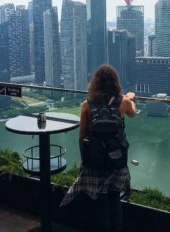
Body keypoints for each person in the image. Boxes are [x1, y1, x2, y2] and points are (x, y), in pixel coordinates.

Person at [61, 64, 136, 232]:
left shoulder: (86, 105)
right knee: (115, 200)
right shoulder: (123, 102)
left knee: (100, 203)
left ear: (95, 83)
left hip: (94, 162)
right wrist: (131, 98)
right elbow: (133, 113)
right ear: (115, 82)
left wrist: (85, 160)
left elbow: (81, 137)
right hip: (117, 162)